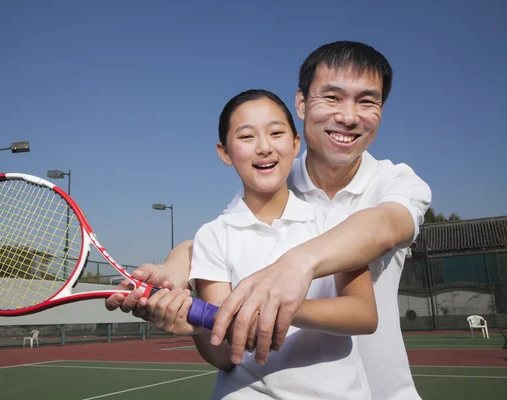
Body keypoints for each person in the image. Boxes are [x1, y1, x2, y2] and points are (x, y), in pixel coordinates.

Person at [106, 41, 431, 400]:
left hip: (381, 391)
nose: (349, 116)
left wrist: (293, 271)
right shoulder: (273, 178)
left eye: (367, 101)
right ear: (303, 105)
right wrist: (177, 271)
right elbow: (221, 238)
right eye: (333, 98)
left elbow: (383, 226)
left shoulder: (396, 182)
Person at [145, 88, 377, 399]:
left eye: (276, 133)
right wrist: (200, 328)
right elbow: (226, 356)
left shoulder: (335, 220)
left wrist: (278, 306)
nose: (264, 147)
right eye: (246, 137)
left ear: (296, 143)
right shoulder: (212, 236)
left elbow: (364, 314)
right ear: (224, 152)